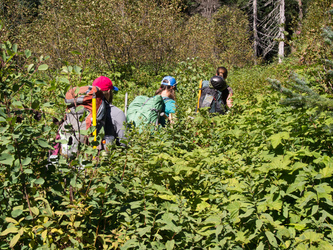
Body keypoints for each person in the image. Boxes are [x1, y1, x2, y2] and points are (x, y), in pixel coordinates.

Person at [92, 76, 126, 147]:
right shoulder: (117, 113)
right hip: (105, 155)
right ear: (109, 92)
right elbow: (124, 142)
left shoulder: (83, 109)